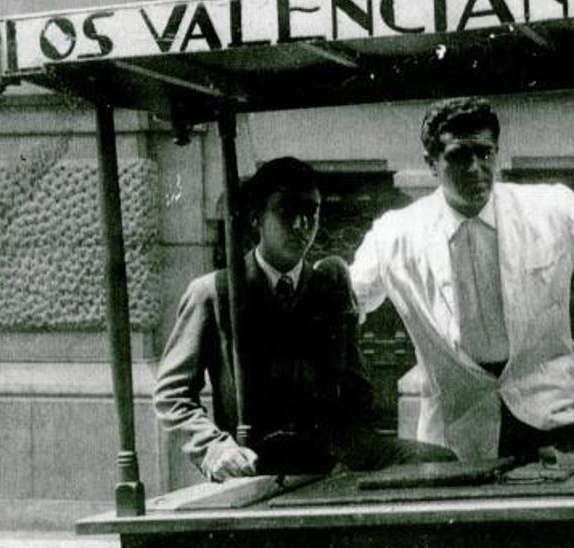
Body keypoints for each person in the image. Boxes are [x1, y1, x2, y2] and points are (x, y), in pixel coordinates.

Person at [350, 97, 574, 460]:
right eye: (458, 155)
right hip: (455, 435)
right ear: (430, 163)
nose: (475, 168)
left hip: (551, 417)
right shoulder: (394, 235)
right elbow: (344, 301)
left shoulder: (549, 209)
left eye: (485, 154)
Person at [152, 157, 455, 482]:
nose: (302, 225)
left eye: (310, 212)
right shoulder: (215, 293)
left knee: (441, 463)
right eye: (287, 212)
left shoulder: (329, 287)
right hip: (256, 463)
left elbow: (357, 389)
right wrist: (214, 449)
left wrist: (350, 443)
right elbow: (172, 395)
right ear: (256, 219)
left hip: (333, 457)